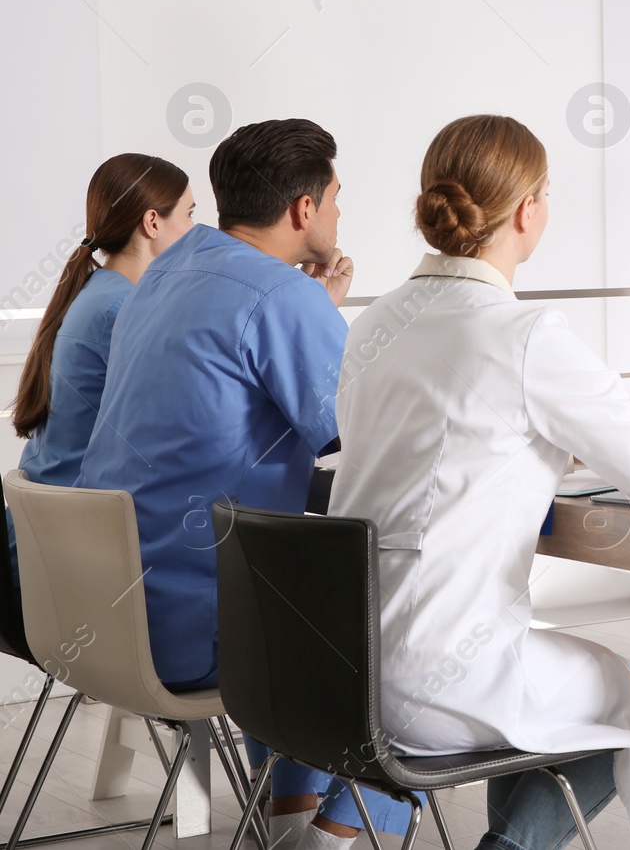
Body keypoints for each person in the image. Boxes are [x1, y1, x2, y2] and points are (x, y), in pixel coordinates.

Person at [329, 114, 630, 850]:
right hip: (436, 676)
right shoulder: (525, 334)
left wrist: (535, 448)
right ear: (528, 211)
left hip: (345, 671)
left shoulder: (374, 320)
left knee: (534, 671)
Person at [74, 121, 407, 850]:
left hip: (110, 607)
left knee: (296, 579)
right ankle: (341, 835)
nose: (341, 214)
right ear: (302, 210)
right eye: (336, 199)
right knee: (408, 651)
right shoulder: (280, 297)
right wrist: (313, 311)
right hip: (195, 632)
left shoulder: (167, 269)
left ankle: (288, 818)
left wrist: (308, 308)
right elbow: (362, 433)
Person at [9, 154, 194, 581]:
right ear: (152, 222)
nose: (195, 230)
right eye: (188, 214)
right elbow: (181, 415)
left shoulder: (99, 290)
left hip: (45, 535)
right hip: (70, 549)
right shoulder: (122, 307)